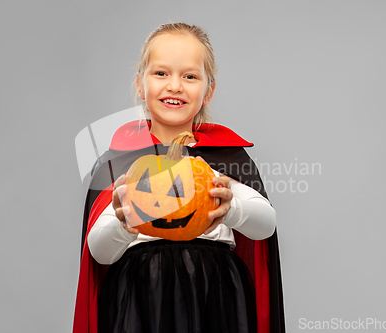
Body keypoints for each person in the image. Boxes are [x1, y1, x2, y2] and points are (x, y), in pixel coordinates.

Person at [73, 22, 285, 333]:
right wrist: (125, 222)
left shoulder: (226, 159)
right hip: (139, 299)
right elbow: (98, 251)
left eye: (190, 76)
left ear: (208, 91)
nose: (175, 85)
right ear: (141, 84)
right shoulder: (119, 163)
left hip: (215, 294)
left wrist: (231, 210)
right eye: (161, 73)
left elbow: (266, 224)